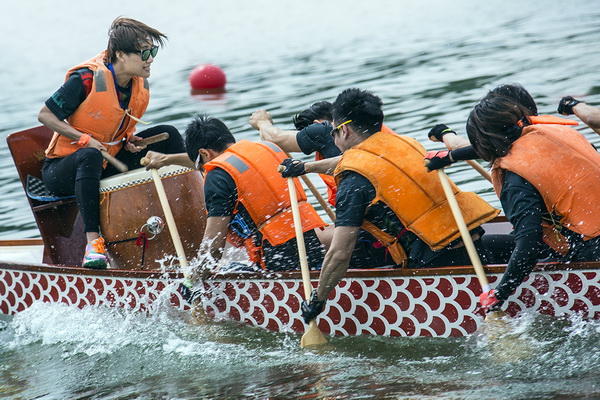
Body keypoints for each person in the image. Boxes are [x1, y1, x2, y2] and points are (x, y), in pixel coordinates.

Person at [294, 88, 500, 324]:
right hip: (473, 240)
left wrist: (317, 301)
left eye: (333, 132)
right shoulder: (405, 143)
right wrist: (306, 167)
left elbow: (340, 254)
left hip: (437, 268)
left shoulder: (352, 182)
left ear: (344, 130)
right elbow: (354, 160)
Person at [38, 17, 187, 270]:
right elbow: (45, 115)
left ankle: (195, 212)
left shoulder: (138, 83)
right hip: (62, 169)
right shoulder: (86, 79)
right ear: (120, 54)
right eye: (145, 53)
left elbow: (117, 122)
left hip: (109, 159)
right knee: (90, 155)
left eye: (154, 51)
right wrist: (84, 140)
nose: (151, 59)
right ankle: (93, 246)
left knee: (170, 134)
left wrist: (129, 139)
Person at [461, 89, 600, 313]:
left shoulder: (516, 180)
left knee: (484, 247)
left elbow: (529, 245)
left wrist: (500, 293)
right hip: (589, 233)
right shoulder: (555, 131)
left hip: (592, 252)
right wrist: (450, 156)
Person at [183, 114, 328, 273]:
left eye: (199, 166)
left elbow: (213, 247)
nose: (203, 171)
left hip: (276, 262)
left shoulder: (218, 174)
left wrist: (193, 279)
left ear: (204, 153)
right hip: (312, 247)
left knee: (227, 269)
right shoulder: (265, 148)